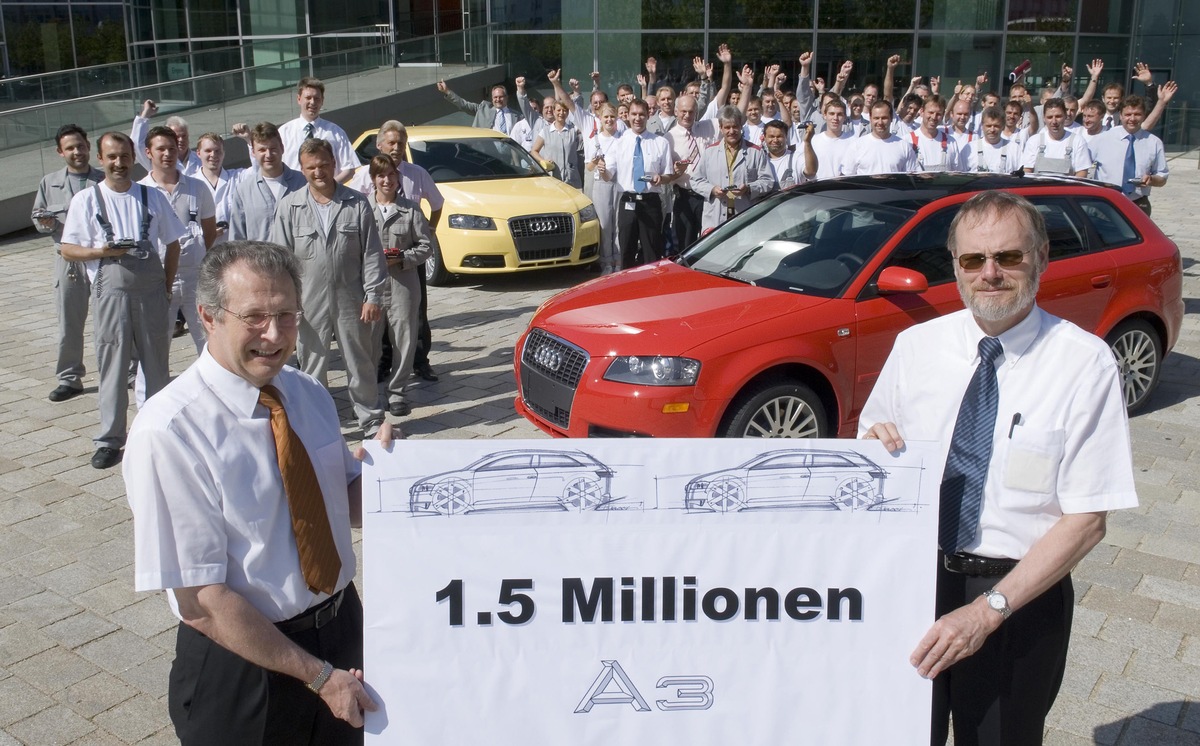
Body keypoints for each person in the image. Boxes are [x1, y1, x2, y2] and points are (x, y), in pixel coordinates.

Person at [859, 191, 1137, 746]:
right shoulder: (916, 347)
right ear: (955, 266)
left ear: (1040, 258)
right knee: (898, 733)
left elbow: (1086, 520)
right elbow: (870, 447)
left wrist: (988, 612)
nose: (990, 274)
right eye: (972, 260)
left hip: (1016, 600)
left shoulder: (1083, 364)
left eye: (1008, 257)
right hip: (911, 587)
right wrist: (872, 445)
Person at [123, 240, 382, 744]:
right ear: (207, 317)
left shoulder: (305, 392)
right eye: (255, 316)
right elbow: (202, 599)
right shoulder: (170, 431)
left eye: (287, 314)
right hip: (246, 664)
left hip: (343, 631)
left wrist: (394, 477)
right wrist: (320, 677)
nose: (274, 334)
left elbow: (342, 503)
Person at [60, 132, 184, 469]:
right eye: (111, 157)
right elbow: (68, 249)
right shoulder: (87, 200)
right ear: (101, 159)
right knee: (112, 368)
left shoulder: (152, 196)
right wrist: (101, 251)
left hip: (152, 292)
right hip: (110, 294)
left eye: (124, 156)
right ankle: (110, 440)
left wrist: (167, 285)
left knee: (157, 367)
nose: (118, 163)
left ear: (133, 157)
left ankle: (159, 434)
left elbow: (173, 243)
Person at [271, 138, 388, 437]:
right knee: (311, 365)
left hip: (351, 299)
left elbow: (372, 254)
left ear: (334, 165)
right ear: (302, 169)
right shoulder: (289, 207)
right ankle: (316, 424)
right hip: (308, 303)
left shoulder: (357, 203)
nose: (318, 172)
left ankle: (371, 420)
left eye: (323, 165)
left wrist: (372, 295)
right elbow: (280, 262)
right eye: (311, 167)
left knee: (359, 361)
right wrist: (286, 305)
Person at [346, 121, 445, 382]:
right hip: (375, 255)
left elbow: (437, 203)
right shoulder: (366, 175)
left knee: (416, 310)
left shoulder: (417, 173)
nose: (396, 147)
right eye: (391, 142)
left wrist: (429, 230)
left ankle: (420, 361)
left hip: (409, 253)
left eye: (401, 142)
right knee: (379, 310)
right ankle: (383, 363)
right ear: (379, 145)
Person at [32, 124, 103, 403]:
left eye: (81, 146)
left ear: (89, 146)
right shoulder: (49, 182)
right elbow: (39, 218)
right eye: (70, 148)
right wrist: (45, 222)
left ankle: (127, 370)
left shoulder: (103, 178)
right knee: (69, 322)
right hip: (68, 260)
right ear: (60, 152)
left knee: (112, 320)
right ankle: (69, 377)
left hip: (100, 259)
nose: (77, 152)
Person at [138, 125, 217, 362]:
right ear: (148, 152)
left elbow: (209, 230)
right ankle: (152, 395)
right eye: (160, 149)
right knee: (155, 345)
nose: (167, 154)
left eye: (171, 148)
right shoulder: (141, 191)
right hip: (159, 279)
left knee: (209, 342)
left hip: (195, 277)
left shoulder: (197, 187)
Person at [368, 155, 433, 417]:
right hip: (371, 286)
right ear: (373, 179)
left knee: (404, 341)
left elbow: (426, 246)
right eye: (381, 175)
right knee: (369, 344)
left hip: (403, 285)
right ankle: (369, 396)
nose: (386, 180)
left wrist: (403, 258)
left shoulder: (411, 209)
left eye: (391, 175)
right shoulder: (362, 209)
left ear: (398, 178)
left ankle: (397, 393)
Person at [600, 98, 681, 268]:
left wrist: (661, 178)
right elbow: (609, 175)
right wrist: (603, 171)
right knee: (627, 250)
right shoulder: (618, 143)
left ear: (648, 115)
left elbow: (668, 175)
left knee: (652, 252)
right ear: (627, 116)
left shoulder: (660, 143)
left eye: (642, 114)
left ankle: (651, 289)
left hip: (650, 202)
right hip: (627, 201)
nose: (638, 118)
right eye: (634, 114)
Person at [688, 106, 775, 233]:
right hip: (716, 216)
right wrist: (712, 190)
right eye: (727, 127)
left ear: (741, 126)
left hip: (744, 213)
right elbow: (695, 180)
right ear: (721, 128)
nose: (731, 131)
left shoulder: (755, 152)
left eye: (735, 126)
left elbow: (768, 181)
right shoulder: (710, 152)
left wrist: (749, 188)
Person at [229, 122, 308, 242]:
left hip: (296, 259)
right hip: (260, 260)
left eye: (273, 148)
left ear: (282, 148)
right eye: (262, 150)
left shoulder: (303, 183)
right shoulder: (243, 191)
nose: (268, 155)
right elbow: (237, 239)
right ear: (253, 153)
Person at [1091, 95, 1169, 216]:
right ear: (1120, 115)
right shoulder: (1103, 139)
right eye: (1128, 114)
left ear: (1143, 116)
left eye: (1137, 114)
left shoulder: (1154, 142)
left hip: (1138, 203)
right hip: (1106, 203)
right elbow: (1081, 166)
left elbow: (1162, 178)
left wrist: (1151, 179)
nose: (1132, 118)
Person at [278, 78, 360, 183]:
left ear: (322, 101)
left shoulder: (336, 132)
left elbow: (349, 168)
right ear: (299, 99)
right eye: (308, 98)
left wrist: (328, 187)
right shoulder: (284, 132)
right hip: (294, 194)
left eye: (317, 98)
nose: (312, 102)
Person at [667, 93, 719, 251]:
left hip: (708, 196)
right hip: (685, 196)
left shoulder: (708, 127)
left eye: (691, 111)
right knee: (685, 246)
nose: (687, 115)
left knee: (710, 242)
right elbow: (666, 176)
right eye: (683, 111)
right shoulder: (668, 138)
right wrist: (677, 172)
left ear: (696, 112)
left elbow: (737, 116)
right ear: (676, 111)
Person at [585, 104, 623, 273]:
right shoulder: (595, 139)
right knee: (605, 224)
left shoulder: (621, 138)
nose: (609, 120)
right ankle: (606, 261)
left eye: (612, 117)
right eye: (606, 117)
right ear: (600, 118)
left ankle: (618, 260)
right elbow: (588, 167)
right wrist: (596, 161)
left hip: (619, 183)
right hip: (601, 185)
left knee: (618, 224)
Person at [196, 132, 248, 245]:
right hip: (203, 250)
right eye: (208, 151)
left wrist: (248, 140)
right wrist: (205, 232)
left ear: (223, 153)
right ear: (198, 153)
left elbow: (259, 170)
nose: (213, 155)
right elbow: (184, 223)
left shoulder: (237, 177)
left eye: (217, 151)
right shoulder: (191, 184)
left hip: (233, 248)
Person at [130, 100, 202, 176]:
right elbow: (136, 144)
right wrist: (146, 114)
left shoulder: (200, 158)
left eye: (184, 136)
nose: (181, 140)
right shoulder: (157, 160)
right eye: (176, 137)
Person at [1021, 98, 1091, 176]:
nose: (1054, 121)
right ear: (1044, 118)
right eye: (1050, 117)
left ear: (1065, 116)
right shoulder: (1034, 141)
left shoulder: (1078, 141)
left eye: (1058, 116)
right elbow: (1027, 170)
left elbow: (1082, 172)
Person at [845, 101, 918, 175]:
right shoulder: (856, 146)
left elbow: (911, 178)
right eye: (876, 118)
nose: (880, 122)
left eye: (884, 118)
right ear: (870, 118)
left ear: (891, 118)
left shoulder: (904, 147)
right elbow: (848, 178)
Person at [437, 79, 523, 134]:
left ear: (506, 98)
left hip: (511, 154)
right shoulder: (483, 109)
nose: (498, 99)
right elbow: (463, 104)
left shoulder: (517, 116)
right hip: (487, 153)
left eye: (500, 97)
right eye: (495, 97)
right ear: (492, 99)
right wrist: (447, 91)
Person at [531, 99, 583, 189]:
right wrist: (543, 161)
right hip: (553, 178)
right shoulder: (545, 131)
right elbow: (534, 151)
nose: (561, 113)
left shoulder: (573, 130)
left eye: (564, 110)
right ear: (554, 111)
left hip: (571, 179)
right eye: (559, 110)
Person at [910, 96, 965, 173]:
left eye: (938, 114)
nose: (934, 117)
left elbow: (957, 174)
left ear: (943, 115)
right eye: (931, 112)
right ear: (922, 111)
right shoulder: (907, 141)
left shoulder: (951, 142)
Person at [966, 107, 1023, 174]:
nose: (992, 130)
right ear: (982, 125)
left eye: (996, 126)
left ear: (1003, 126)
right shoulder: (969, 148)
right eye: (988, 126)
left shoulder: (1014, 149)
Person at [762, 119, 815, 190]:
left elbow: (811, 173)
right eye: (771, 136)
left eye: (779, 136)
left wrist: (807, 142)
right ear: (765, 138)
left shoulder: (796, 158)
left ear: (786, 137)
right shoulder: (760, 161)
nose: (775, 140)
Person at [811, 98, 856, 179]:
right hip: (818, 189)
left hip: (845, 188)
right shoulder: (813, 141)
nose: (835, 118)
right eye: (832, 114)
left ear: (845, 117)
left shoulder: (854, 141)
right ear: (824, 115)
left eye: (839, 114)